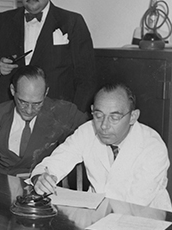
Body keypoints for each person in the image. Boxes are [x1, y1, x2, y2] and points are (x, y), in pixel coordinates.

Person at [32, 83, 172, 211]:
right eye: (98, 115)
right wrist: (40, 178)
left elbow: (134, 205)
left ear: (133, 117)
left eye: (114, 117)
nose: (104, 126)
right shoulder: (87, 131)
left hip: (143, 221)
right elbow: (54, 163)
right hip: (95, 217)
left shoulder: (152, 147)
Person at [0, 0, 96, 112]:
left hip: (55, 114)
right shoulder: (4, 20)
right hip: (9, 113)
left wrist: (75, 117)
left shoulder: (72, 22)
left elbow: (86, 79)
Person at [0, 65, 87, 176]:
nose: (29, 111)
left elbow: (92, 129)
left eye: (37, 103)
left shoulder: (62, 112)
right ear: (12, 90)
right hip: (2, 185)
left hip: (42, 185)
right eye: (23, 102)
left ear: (46, 93)